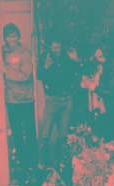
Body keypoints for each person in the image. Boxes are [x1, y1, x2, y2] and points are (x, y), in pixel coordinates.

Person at [36, 40, 80, 168]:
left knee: (64, 135)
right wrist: (45, 66)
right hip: (53, 99)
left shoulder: (67, 56)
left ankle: (62, 162)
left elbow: (77, 72)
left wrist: (75, 60)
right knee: (45, 134)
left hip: (67, 99)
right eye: (55, 47)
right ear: (50, 46)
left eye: (60, 47)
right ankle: (42, 162)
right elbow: (39, 76)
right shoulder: (45, 57)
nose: (58, 50)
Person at [2, 23, 38, 174]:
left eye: (14, 35)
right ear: (5, 37)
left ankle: (34, 165)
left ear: (19, 36)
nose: (12, 38)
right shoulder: (1, 52)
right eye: (9, 36)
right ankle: (22, 166)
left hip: (26, 99)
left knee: (29, 132)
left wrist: (6, 71)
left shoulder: (25, 53)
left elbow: (26, 75)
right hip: (11, 100)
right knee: (16, 134)